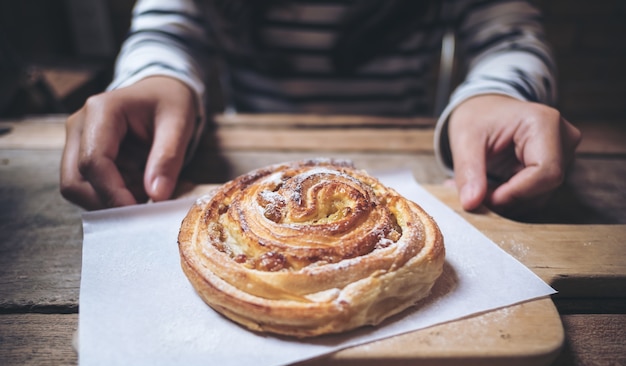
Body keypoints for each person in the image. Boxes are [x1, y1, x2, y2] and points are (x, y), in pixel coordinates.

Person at [60, 0, 581, 216]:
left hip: (412, 159)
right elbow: (168, 28)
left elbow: (509, 36)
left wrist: (498, 93)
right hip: (246, 167)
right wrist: (154, 79)